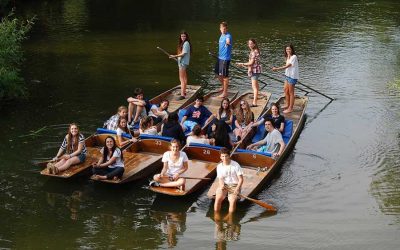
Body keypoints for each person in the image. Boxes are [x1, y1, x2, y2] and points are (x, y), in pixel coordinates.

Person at [214, 148, 243, 213]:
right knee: (218, 198)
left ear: (229, 156)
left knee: (232, 201)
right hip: (225, 185)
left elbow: (241, 179)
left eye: (226, 156)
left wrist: (237, 189)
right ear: (220, 157)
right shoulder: (219, 166)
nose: (224, 158)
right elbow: (220, 178)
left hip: (234, 185)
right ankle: (216, 216)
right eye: (223, 156)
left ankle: (230, 217)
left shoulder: (235, 165)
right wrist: (221, 185)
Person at [272, 44, 299, 114]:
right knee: (285, 90)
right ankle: (287, 104)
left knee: (291, 92)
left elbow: (288, 65)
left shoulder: (294, 57)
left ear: (292, 50)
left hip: (292, 77)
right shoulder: (287, 56)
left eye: (289, 49)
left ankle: (290, 108)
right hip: (287, 75)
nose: (288, 51)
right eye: (287, 49)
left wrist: (277, 69)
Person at [236, 39, 261, 107]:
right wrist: (248, 68)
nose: (250, 45)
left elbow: (251, 62)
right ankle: (256, 97)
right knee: (256, 86)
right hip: (255, 70)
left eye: (251, 43)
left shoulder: (254, 52)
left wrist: (242, 63)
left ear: (254, 44)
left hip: (255, 71)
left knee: (254, 87)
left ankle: (254, 103)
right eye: (249, 44)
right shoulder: (254, 51)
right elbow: (251, 62)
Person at [169, 31, 192, 99]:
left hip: (183, 63)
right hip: (182, 62)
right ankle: (184, 92)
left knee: (182, 79)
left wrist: (174, 56)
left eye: (184, 36)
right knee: (184, 78)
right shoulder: (183, 43)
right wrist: (176, 57)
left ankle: (182, 95)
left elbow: (183, 54)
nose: (183, 37)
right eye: (182, 36)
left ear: (186, 37)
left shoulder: (186, 43)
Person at [214, 21, 233, 98]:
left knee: (225, 76)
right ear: (220, 29)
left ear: (226, 29)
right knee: (217, 73)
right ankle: (223, 87)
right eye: (223, 29)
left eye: (225, 29)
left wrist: (227, 43)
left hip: (225, 58)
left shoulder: (228, 35)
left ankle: (225, 92)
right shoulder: (221, 35)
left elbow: (228, 41)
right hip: (220, 58)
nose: (224, 30)